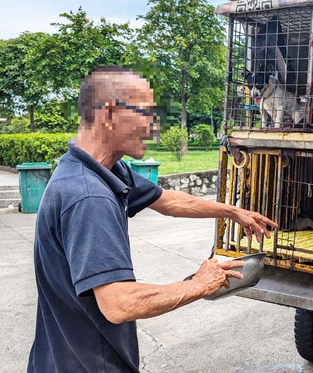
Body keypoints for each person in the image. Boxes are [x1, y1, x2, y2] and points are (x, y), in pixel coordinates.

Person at [27, 65, 277, 372]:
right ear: (108, 115)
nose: (152, 126)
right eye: (145, 113)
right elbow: (119, 303)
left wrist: (232, 211)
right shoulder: (88, 197)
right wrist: (198, 285)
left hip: (58, 358)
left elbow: (168, 200)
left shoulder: (101, 170)